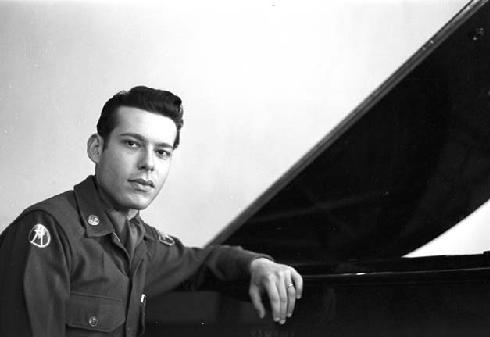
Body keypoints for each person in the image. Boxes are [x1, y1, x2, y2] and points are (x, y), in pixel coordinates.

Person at [0, 86, 303, 337]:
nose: (149, 164)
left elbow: (201, 263)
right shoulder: (49, 231)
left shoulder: (139, 241)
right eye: (132, 144)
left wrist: (257, 265)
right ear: (96, 149)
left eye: (162, 152)